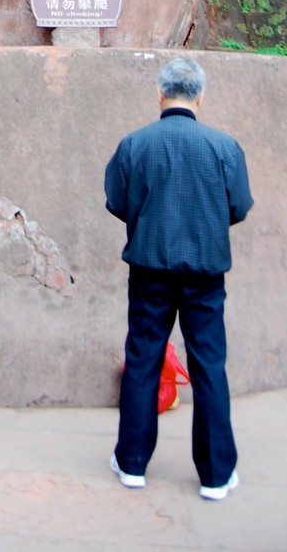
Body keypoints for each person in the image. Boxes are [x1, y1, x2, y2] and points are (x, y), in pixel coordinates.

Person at [104, 54, 253, 499]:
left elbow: (116, 200)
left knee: (144, 360)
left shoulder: (134, 144)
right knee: (209, 367)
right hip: (206, 275)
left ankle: (131, 463)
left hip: (149, 269)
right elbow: (239, 206)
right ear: (200, 96)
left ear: (159, 93)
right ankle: (215, 474)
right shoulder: (224, 147)